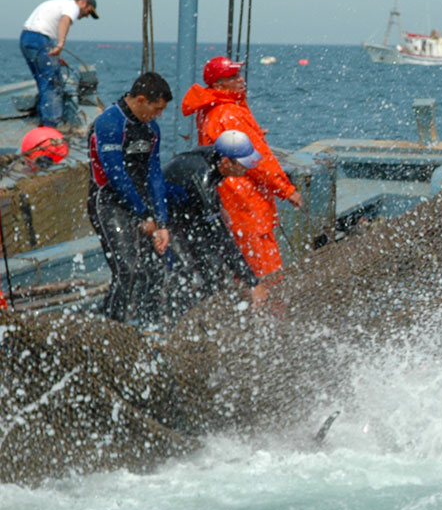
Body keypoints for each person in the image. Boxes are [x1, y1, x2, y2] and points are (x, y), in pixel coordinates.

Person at [181, 56, 302, 278]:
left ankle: (248, 305)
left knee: (243, 261)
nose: (241, 80)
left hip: (229, 196)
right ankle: (270, 310)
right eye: (233, 77)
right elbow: (258, 161)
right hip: (245, 200)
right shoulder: (230, 113)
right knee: (265, 267)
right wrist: (287, 190)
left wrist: (253, 134)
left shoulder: (211, 110)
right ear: (218, 85)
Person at [87, 71, 172, 325]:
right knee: (129, 271)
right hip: (109, 203)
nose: (159, 115)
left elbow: (154, 175)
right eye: (156, 109)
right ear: (142, 99)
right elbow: (115, 174)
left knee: (156, 271)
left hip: (140, 205)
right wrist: (144, 215)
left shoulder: (151, 129)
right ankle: (112, 329)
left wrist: (162, 222)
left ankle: (149, 326)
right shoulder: (110, 123)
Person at [163, 130, 266, 317]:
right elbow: (221, 239)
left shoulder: (216, 156)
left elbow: (207, 190)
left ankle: (208, 312)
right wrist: (252, 282)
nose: (247, 169)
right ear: (227, 162)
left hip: (189, 206)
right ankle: (175, 321)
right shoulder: (202, 176)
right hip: (164, 214)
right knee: (184, 268)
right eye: (243, 164)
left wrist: (217, 206)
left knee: (213, 266)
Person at [18, 0, 99, 131]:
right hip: (39, 40)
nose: (86, 16)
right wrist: (61, 44)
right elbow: (65, 20)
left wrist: (54, 57)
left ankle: (43, 122)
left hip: (27, 39)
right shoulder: (72, 6)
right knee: (53, 83)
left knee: (43, 81)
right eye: (88, 11)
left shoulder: (58, 3)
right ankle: (50, 126)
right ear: (83, 3)